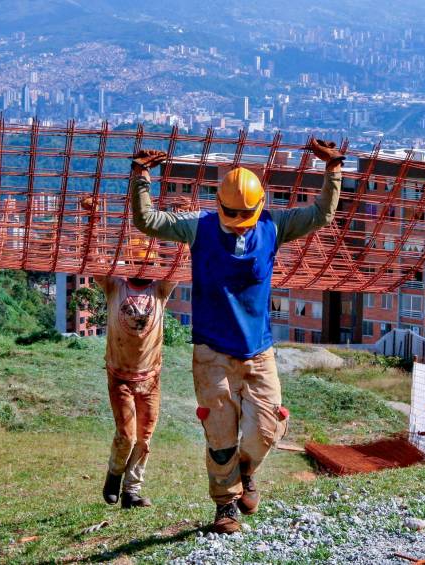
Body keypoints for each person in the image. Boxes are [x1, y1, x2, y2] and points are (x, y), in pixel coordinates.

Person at [129, 140, 343, 533]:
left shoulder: (273, 226)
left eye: (245, 212)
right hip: (212, 353)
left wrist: (333, 169)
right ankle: (225, 506)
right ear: (221, 205)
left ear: (258, 206)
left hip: (258, 351)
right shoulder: (200, 227)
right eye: (233, 212)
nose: (239, 218)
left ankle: (247, 472)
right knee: (221, 433)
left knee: (266, 428)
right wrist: (141, 177)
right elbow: (150, 222)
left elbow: (320, 215)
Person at [95, 240, 176, 509]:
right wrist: (91, 218)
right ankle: (114, 474)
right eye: (136, 263)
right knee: (127, 435)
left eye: (147, 264)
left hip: (150, 377)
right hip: (120, 375)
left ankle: (132, 490)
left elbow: (178, 263)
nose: (142, 269)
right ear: (128, 264)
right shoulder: (115, 286)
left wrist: (183, 221)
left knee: (144, 438)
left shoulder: (160, 290)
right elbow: (94, 259)